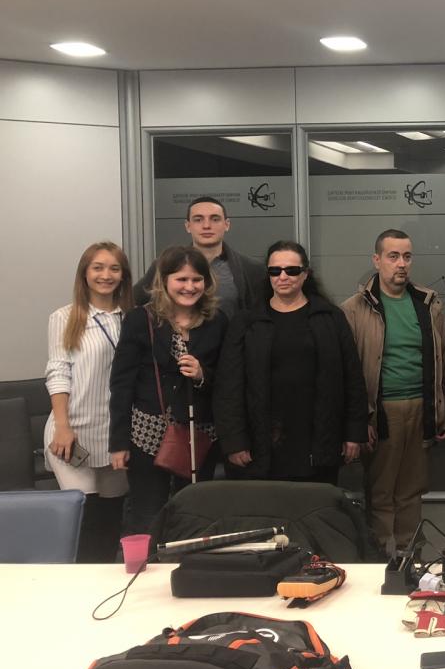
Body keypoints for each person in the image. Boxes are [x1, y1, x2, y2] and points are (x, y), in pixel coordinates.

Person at [342, 229, 445, 553]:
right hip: (381, 412)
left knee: (412, 490)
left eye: (407, 256)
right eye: (393, 256)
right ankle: (382, 557)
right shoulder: (354, 309)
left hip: (421, 408)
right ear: (376, 260)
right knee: (381, 492)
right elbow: (348, 373)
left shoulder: (427, 304)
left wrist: (443, 412)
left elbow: (443, 361)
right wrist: (359, 420)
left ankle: (411, 556)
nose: (401, 264)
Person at [215, 241, 367, 484]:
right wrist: (234, 441)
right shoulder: (247, 321)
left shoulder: (330, 317)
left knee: (315, 503)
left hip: (319, 437)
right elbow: (229, 385)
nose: (283, 277)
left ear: (306, 274)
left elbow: (352, 378)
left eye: (292, 270)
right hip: (261, 440)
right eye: (275, 271)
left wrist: (354, 433)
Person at [109, 245, 228, 535]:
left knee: (195, 514)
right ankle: (150, 563)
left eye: (197, 279)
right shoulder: (141, 319)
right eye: (181, 279)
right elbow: (122, 383)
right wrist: (119, 443)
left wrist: (202, 374)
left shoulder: (217, 321)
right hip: (147, 434)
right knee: (148, 514)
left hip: (199, 435)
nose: (190, 287)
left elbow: (228, 379)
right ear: (164, 281)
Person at [43, 242, 134, 562]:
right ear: (84, 273)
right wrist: (62, 426)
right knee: (84, 517)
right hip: (72, 434)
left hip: (114, 436)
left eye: (114, 268)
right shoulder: (65, 317)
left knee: (110, 520)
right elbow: (58, 372)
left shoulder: (132, 319)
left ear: (123, 275)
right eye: (98, 267)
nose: (105, 275)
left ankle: (105, 583)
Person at [134, 196, 263, 312]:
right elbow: (133, 300)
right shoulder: (164, 265)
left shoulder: (252, 268)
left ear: (227, 224)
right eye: (198, 220)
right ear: (188, 226)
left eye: (215, 219)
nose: (206, 225)